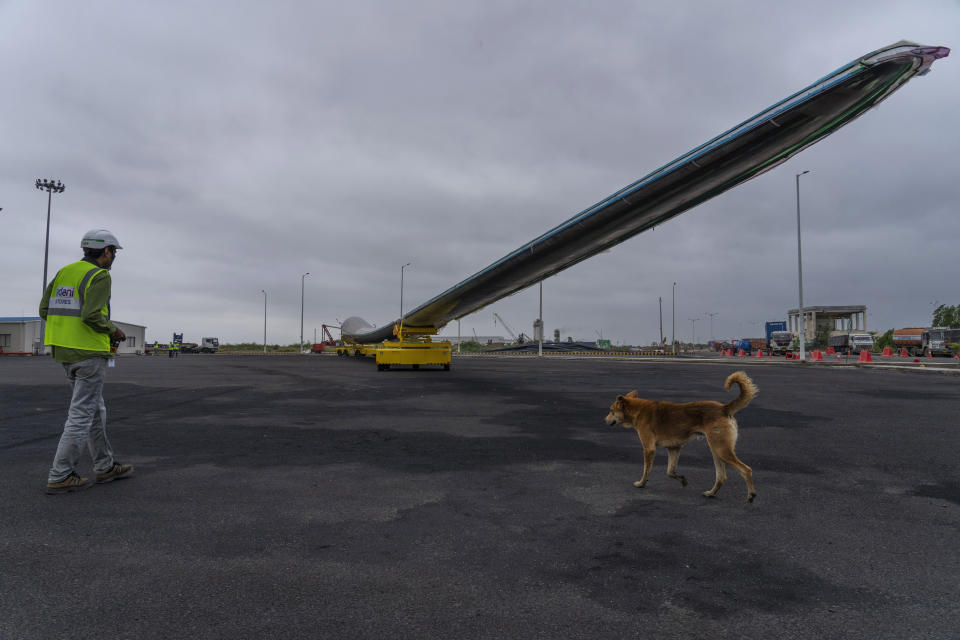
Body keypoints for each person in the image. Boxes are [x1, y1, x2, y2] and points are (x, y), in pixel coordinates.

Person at [39, 229, 134, 494]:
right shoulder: (100, 276)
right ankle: (60, 474)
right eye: (113, 252)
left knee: (95, 410)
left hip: (65, 353)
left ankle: (104, 466)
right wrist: (114, 330)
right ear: (106, 252)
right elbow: (92, 315)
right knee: (81, 415)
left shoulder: (64, 272)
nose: (113, 257)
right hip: (89, 354)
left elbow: (44, 310)